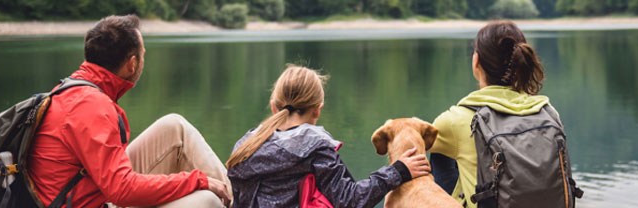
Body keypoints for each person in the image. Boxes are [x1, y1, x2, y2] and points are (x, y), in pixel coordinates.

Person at [26, 15, 233, 208]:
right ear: (132, 64)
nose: (143, 60)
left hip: (92, 191)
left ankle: (242, 199)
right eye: (143, 55)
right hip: (93, 201)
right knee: (207, 200)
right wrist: (198, 180)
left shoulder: (73, 89)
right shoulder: (91, 106)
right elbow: (122, 190)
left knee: (174, 127)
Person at [226, 65, 432, 208]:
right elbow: (350, 201)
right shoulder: (314, 149)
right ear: (317, 110)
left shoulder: (245, 147)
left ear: (274, 107)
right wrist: (398, 171)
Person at [428, 20, 556, 208]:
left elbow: (412, 146)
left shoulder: (455, 120)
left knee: (440, 153)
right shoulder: (548, 112)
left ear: (476, 61)